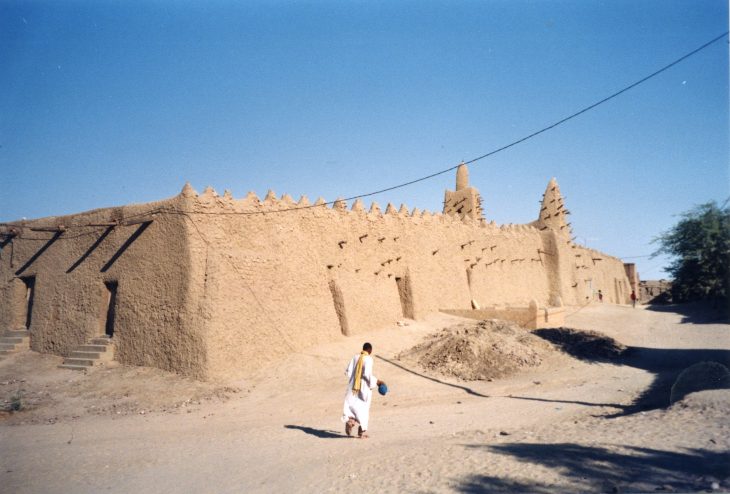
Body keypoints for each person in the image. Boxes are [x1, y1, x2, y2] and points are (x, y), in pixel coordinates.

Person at [342, 342, 383, 439]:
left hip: (353, 387)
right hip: (364, 388)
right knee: (364, 408)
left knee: (353, 405)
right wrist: (377, 382)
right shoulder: (368, 359)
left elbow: (348, 371)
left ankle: (351, 421)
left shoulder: (355, 357)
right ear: (370, 350)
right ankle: (361, 432)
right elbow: (367, 375)